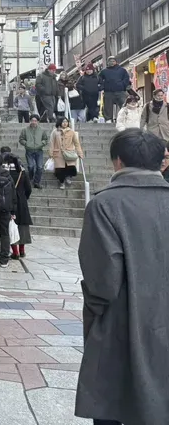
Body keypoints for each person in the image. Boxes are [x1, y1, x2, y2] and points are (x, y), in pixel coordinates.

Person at [75, 129, 169, 425]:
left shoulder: (105, 205)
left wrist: (94, 315)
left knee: (113, 405)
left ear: (117, 161)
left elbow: (103, 282)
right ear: (161, 162)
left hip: (121, 324)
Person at [3, 152, 32, 259]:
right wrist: (24, 197)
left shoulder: (5, 173)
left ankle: (15, 252)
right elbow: (28, 189)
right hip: (21, 201)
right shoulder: (22, 173)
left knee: (10, 225)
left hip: (9, 201)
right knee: (22, 225)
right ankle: (22, 250)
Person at [49, 117, 84, 189]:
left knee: (70, 167)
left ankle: (68, 177)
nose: (65, 123)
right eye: (63, 122)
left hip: (69, 153)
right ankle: (62, 182)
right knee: (59, 170)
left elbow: (76, 143)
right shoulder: (55, 132)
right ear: (60, 122)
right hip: (58, 153)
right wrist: (51, 153)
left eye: (66, 122)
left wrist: (80, 153)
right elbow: (51, 143)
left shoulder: (71, 132)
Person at [19, 115, 49, 189]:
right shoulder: (25, 130)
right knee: (31, 166)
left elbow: (45, 139)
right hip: (29, 150)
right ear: (30, 121)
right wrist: (26, 143)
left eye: (35, 121)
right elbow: (21, 139)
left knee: (39, 167)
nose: (34, 122)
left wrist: (42, 143)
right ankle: (31, 178)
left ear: (38, 121)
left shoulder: (42, 130)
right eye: (32, 120)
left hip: (39, 150)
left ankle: (36, 182)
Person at [99, 56, 131, 122]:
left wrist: (123, 85)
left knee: (124, 104)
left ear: (116, 62)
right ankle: (108, 119)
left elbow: (126, 79)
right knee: (107, 106)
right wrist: (103, 86)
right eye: (110, 61)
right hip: (108, 91)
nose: (112, 62)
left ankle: (125, 118)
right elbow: (99, 79)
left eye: (113, 61)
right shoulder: (104, 71)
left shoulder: (122, 70)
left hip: (120, 91)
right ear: (107, 63)